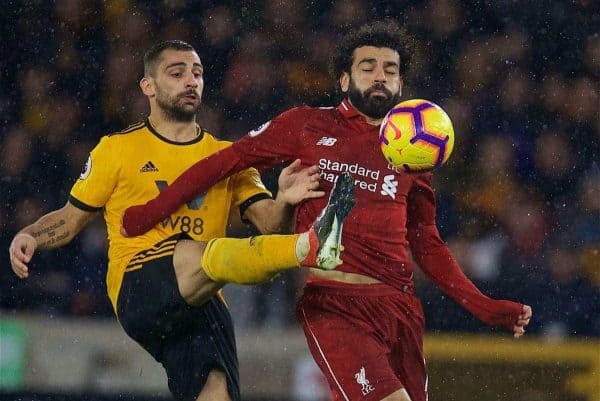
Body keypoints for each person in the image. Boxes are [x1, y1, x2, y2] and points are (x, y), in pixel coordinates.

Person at [121, 24, 532, 401]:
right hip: (336, 303)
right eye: (368, 66)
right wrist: (153, 211)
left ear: (401, 82)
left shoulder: (414, 149)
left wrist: (486, 307)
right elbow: (225, 162)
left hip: (399, 307)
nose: (380, 76)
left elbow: (427, 244)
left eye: (390, 69)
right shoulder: (307, 126)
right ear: (344, 79)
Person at [8, 40, 356, 401]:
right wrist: (32, 235)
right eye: (177, 73)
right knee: (204, 254)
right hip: (139, 285)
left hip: (203, 303)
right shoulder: (116, 149)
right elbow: (70, 218)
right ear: (149, 86)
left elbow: (271, 227)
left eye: (197, 73)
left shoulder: (227, 157)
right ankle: (310, 246)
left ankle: (306, 246)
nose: (191, 81)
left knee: (214, 393)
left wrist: (284, 200)